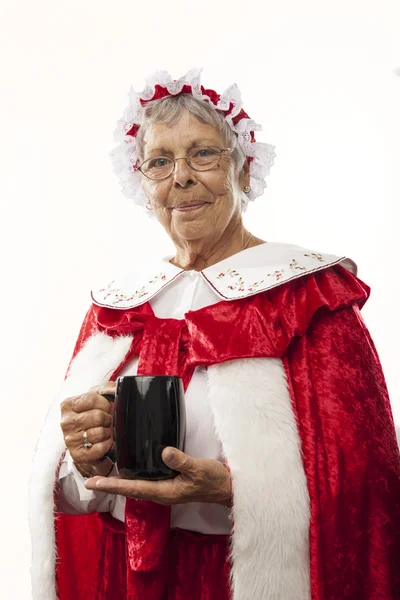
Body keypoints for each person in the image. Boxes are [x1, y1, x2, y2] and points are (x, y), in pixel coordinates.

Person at [29, 68, 400, 600]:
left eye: (203, 154)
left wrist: (233, 490)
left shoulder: (306, 295)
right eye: (160, 161)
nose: (180, 177)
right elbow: (68, 493)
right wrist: (86, 458)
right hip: (127, 577)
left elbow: (367, 484)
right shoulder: (118, 304)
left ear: (244, 170)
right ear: (142, 182)